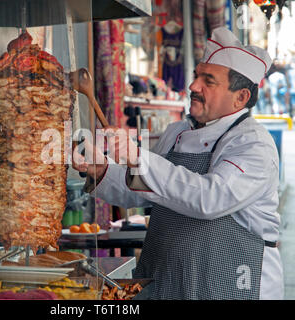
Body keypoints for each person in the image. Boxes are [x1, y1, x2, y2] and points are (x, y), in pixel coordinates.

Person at [72, 27, 284, 300]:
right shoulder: (176, 133)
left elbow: (209, 199)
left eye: (209, 80)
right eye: (197, 76)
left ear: (241, 97)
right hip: (167, 279)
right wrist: (101, 171)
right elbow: (144, 187)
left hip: (232, 282)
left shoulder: (253, 145)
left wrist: (138, 157)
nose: (193, 86)